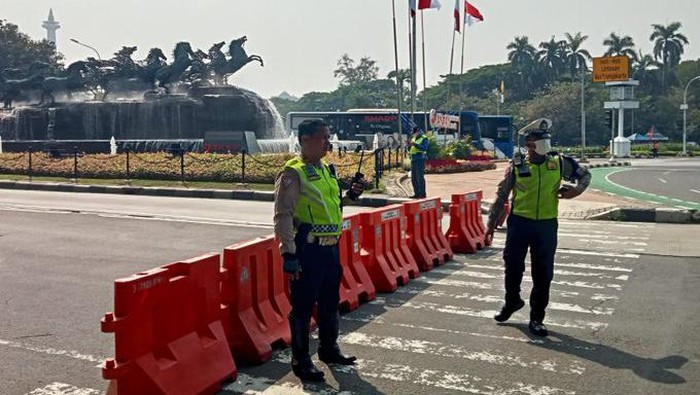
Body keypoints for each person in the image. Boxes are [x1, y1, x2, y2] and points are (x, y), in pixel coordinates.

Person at [273, 119, 364, 382]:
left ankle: (329, 349)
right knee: (302, 306)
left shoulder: (326, 170)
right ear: (305, 140)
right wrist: (289, 253)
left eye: (328, 137)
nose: (328, 142)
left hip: (331, 250)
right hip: (307, 250)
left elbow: (333, 203)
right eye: (323, 137)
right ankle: (301, 360)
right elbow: (283, 216)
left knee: (329, 302)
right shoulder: (293, 172)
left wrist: (353, 195)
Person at [484, 121, 591, 337]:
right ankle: (512, 302)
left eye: (542, 141)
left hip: (546, 225)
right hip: (520, 223)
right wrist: (491, 224)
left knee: (543, 273)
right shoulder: (517, 164)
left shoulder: (560, 162)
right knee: (512, 267)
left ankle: (536, 318)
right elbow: (501, 194)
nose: (540, 146)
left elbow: (585, 175)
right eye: (535, 142)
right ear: (528, 145)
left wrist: (576, 191)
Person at [409, 126, 429, 198]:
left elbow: (424, 148)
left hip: (420, 159)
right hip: (413, 159)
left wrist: (415, 144)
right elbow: (412, 149)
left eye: (415, 133)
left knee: (419, 177)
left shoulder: (424, 138)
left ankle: (422, 194)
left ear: (419, 131)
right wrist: (409, 145)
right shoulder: (414, 138)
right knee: (413, 178)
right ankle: (416, 193)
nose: (413, 134)